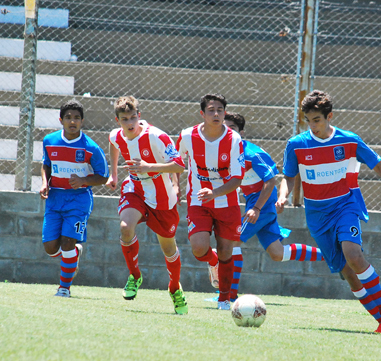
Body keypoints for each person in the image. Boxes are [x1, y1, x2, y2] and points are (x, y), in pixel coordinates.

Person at [277, 90, 381, 333]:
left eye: (318, 120)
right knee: (348, 273)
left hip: (345, 205)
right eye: (309, 121)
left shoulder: (349, 140)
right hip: (317, 216)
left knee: (353, 255)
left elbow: (378, 165)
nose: (313, 126)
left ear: (329, 116)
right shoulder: (296, 145)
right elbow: (288, 177)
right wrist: (283, 195)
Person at [224, 112, 324, 302]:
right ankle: (331, 256)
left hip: (260, 205)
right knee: (278, 253)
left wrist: (258, 208)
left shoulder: (252, 154)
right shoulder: (221, 152)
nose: (229, 132)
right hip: (256, 203)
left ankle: (228, 296)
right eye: (225, 128)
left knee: (232, 242)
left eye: (233, 129)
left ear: (241, 133)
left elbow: (270, 181)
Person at [106, 96, 188, 315]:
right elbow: (114, 144)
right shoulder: (116, 135)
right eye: (125, 119)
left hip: (162, 199)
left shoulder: (157, 136)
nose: (130, 122)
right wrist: (113, 174)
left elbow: (180, 166)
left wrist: (148, 166)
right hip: (135, 189)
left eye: (133, 117)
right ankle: (135, 275)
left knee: (169, 248)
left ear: (139, 116)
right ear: (118, 121)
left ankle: (174, 289)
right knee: (125, 227)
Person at [175, 94, 244, 310]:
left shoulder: (234, 140)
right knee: (198, 248)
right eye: (212, 110)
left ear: (225, 112)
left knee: (226, 251)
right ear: (202, 114)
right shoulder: (187, 136)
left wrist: (215, 192)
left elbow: (237, 178)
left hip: (226, 202)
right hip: (198, 200)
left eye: (220, 110)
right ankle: (211, 262)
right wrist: (176, 186)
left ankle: (224, 299)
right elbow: (176, 162)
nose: (216, 114)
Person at [40, 100, 109, 298]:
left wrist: (83, 180)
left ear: (82, 121)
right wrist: (45, 182)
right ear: (61, 120)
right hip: (55, 198)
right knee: (51, 248)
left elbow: (103, 176)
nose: (73, 121)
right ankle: (73, 257)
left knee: (67, 243)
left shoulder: (91, 148)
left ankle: (64, 288)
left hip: (79, 200)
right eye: (68, 117)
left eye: (77, 118)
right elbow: (46, 164)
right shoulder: (49, 140)